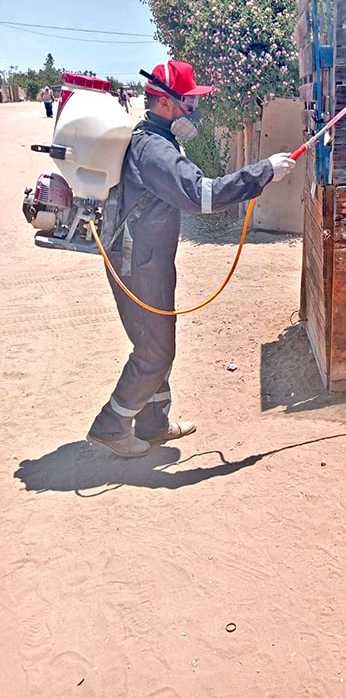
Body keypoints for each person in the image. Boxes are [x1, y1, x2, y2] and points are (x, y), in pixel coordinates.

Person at [86, 60, 295, 457]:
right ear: (165, 103)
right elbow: (203, 195)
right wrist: (263, 172)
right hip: (138, 259)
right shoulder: (154, 151)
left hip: (148, 257)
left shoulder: (158, 141)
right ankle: (111, 425)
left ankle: (152, 423)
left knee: (156, 339)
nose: (193, 110)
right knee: (155, 347)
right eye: (188, 102)